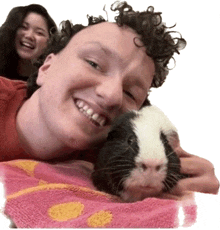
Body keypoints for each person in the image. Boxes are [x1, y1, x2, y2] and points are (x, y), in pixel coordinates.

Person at [0, 1, 218, 196]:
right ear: (46, 66)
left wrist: (193, 183)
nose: (112, 95)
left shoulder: (117, 159)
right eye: (94, 63)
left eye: (130, 93)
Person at [0, 4, 57, 81]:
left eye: (39, 33)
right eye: (24, 27)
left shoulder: (51, 80)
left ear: (50, 41)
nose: (29, 36)